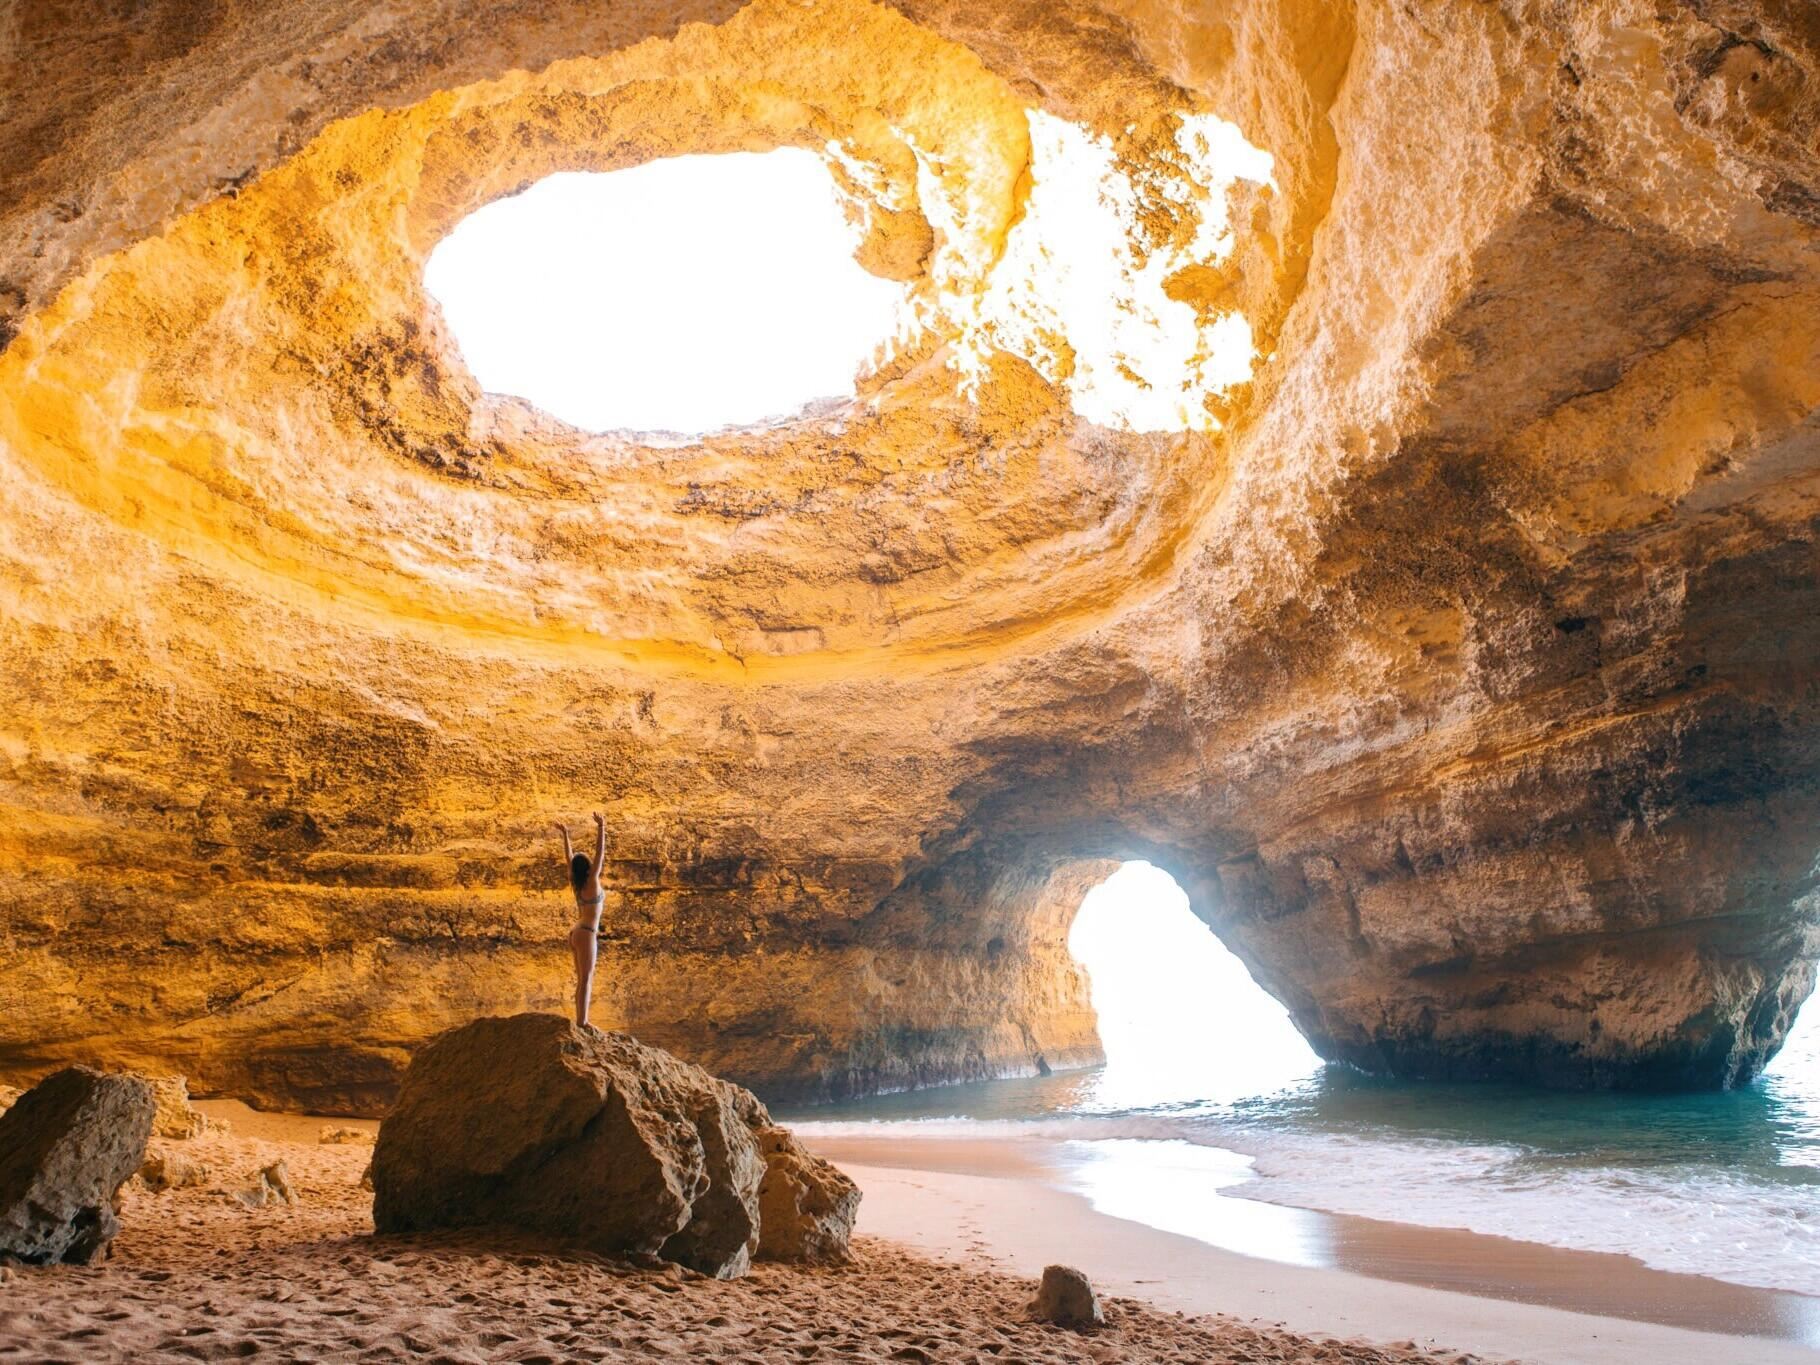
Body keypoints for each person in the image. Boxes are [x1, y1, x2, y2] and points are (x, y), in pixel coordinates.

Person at [554, 812, 606, 1030]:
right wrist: (602, 827)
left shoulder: (576, 883)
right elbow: (599, 855)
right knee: (586, 979)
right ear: (588, 868)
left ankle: (580, 1019)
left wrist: (566, 834)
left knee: (582, 979)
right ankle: (582, 1021)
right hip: (586, 933)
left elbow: (569, 858)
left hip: (577, 933)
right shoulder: (591, 882)